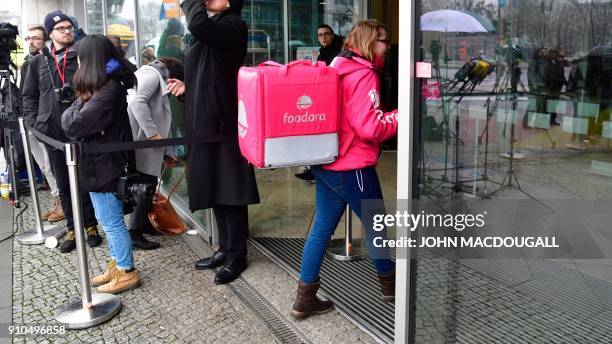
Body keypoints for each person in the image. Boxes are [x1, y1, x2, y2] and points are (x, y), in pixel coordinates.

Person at [291, 19, 398, 319]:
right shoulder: (364, 75)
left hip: (326, 161)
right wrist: (401, 116)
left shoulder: (336, 66)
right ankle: (391, 288)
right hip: (353, 167)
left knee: (322, 228)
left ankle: (305, 298)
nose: (387, 47)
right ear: (368, 42)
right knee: (376, 227)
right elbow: (370, 127)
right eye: (383, 41)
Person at [174, 0, 259, 285]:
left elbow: (197, 22)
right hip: (205, 122)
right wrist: (188, 90)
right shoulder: (211, 29)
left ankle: (237, 254)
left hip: (224, 122)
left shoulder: (233, 25)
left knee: (230, 190)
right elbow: (210, 74)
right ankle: (224, 248)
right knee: (215, 187)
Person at [61, 34, 140, 294]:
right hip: (99, 163)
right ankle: (118, 264)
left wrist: (75, 111)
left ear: (90, 59)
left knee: (112, 222)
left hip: (105, 165)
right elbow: (73, 116)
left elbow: (74, 123)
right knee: (109, 220)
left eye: (80, 57)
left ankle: (127, 271)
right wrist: (76, 110)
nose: (78, 62)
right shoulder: (102, 85)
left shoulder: (108, 88)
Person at [22, 10, 102, 253]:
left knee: (85, 180)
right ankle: (72, 227)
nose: (66, 31)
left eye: (69, 27)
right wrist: (35, 123)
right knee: (64, 184)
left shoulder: (82, 55)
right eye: (61, 29)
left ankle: (90, 226)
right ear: (50, 33)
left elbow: (109, 68)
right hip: (52, 133)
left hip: (80, 127)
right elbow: (29, 96)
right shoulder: (37, 62)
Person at [127, 57, 184, 250]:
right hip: (143, 140)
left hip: (142, 140)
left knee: (146, 184)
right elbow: (137, 102)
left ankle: (141, 224)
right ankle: (134, 232)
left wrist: (166, 150)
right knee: (146, 185)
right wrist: (154, 135)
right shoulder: (152, 76)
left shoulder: (147, 72)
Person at [20, 25, 64, 222]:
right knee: (44, 166)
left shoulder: (49, 61)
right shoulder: (28, 63)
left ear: (45, 39)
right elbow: (27, 94)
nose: (31, 42)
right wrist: (31, 121)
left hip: (48, 123)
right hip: (34, 122)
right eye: (28, 38)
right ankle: (57, 199)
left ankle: (63, 202)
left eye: (35, 38)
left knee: (51, 163)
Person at [294, 24, 344, 183]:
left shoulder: (338, 51)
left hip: (335, 98)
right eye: (320, 35)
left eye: (326, 34)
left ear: (332, 35)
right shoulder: (323, 52)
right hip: (325, 96)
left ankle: (318, 169)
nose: (323, 37)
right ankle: (315, 169)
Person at [544, 48, 567, 125]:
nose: (552, 54)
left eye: (554, 53)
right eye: (551, 53)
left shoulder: (559, 62)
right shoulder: (546, 62)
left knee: (555, 104)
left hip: (557, 87)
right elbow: (545, 76)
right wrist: (549, 84)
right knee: (548, 104)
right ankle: (547, 120)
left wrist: (567, 84)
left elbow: (562, 74)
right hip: (549, 87)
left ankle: (553, 119)